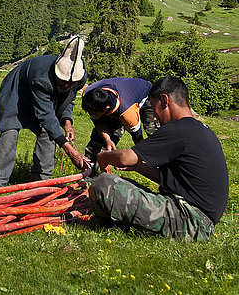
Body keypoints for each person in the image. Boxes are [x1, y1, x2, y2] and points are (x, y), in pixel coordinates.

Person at [89, 76, 229, 241]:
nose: (154, 115)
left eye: (153, 107)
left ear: (164, 101)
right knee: (121, 184)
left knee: (105, 185)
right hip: (199, 220)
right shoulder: (197, 129)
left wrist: (104, 157)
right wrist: (137, 167)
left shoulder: (178, 129)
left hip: (191, 220)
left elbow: (126, 158)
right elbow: (168, 179)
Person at [0, 36, 90, 189]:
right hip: (16, 94)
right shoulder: (41, 77)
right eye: (63, 81)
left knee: (48, 134)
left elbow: (68, 100)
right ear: (56, 72)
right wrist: (70, 150)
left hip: (43, 98)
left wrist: (67, 122)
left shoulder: (78, 78)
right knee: (10, 133)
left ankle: (41, 183)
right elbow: (46, 116)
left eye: (70, 83)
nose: (66, 84)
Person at [81, 77, 159, 163]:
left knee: (154, 134)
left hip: (146, 95)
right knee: (99, 141)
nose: (92, 115)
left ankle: (161, 164)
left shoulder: (127, 112)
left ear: (107, 108)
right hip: (123, 92)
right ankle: (90, 171)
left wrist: (141, 158)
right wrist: (108, 140)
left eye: (95, 113)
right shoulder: (88, 95)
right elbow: (99, 122)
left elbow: (137, 137)